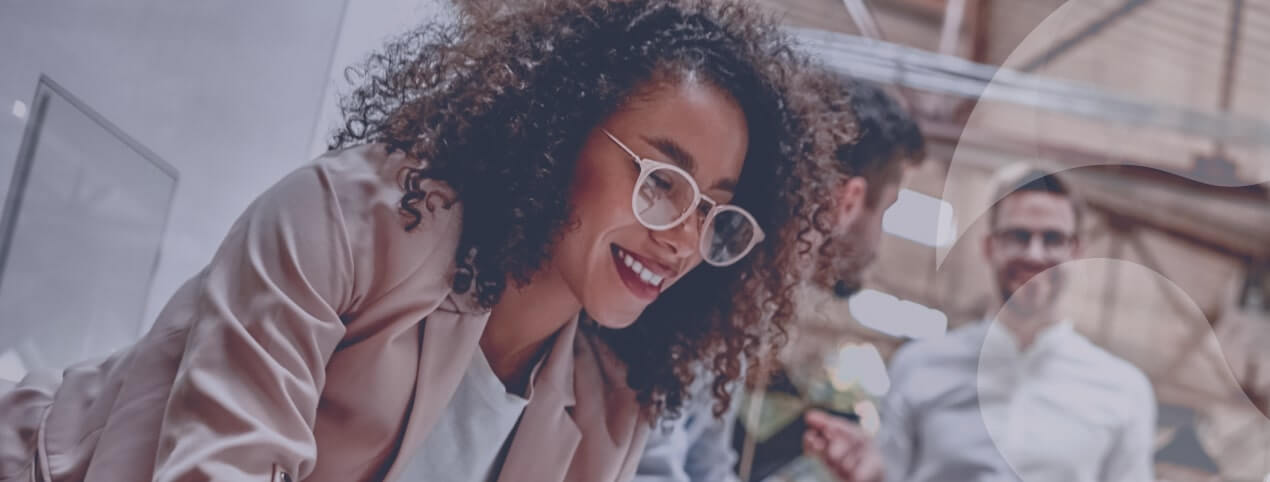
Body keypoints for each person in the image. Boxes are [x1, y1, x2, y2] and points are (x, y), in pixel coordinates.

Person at [0, 1, 822, 481]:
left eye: (713, 213)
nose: (682, 239)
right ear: (564, 132)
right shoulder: (350, 221)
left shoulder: (613, 400)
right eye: (663, 182)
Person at [634, 74, 926, 482]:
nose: (880, 240)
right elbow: (645, 468)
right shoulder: (694, 283)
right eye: (887, 211)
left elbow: (706, 465)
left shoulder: (746, 309)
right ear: (849, 201)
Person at [810, 166, 1157, 482]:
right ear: (990, 247)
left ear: (1076, 251)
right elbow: (890, 472)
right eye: (1018, 237)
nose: (1035, 255)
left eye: (1052, 239)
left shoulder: (1125, 391)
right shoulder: (919, 366)